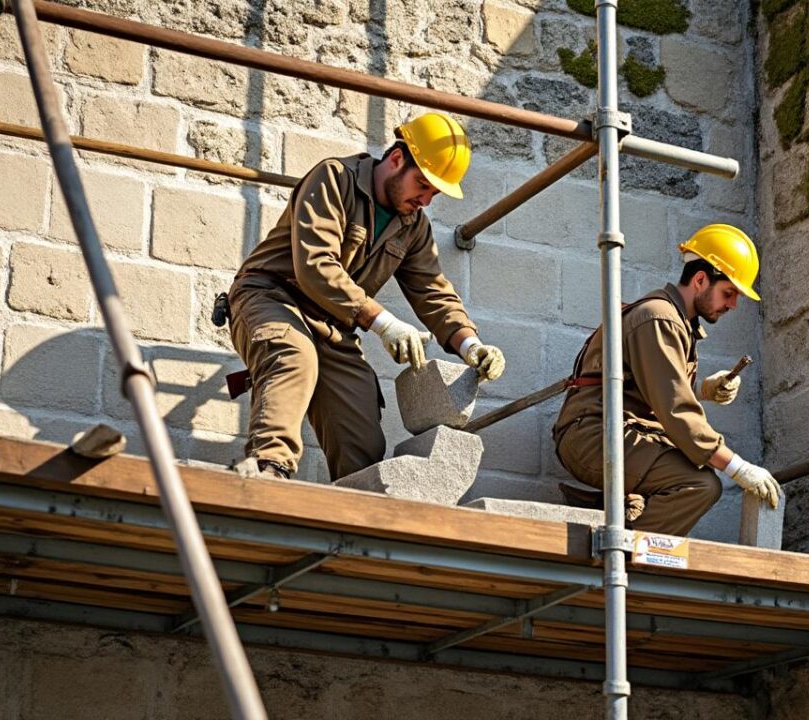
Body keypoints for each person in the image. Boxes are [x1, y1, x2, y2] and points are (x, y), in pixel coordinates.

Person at [227, 112, 505, 481]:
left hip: (331, 325)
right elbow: (315, 266)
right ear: (395, 159)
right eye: (422, 184)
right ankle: (267, 473)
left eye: (433, 193)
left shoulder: (412, 227)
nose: (425, 199)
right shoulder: (333, 179)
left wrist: (472, 346)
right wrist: (383, 322)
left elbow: (434, 292)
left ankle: (354, 519)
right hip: (271, 299)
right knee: (293, 355)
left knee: (360, 430)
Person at [552, 224, 781, 536]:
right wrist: (737, 467)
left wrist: (704, 389)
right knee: (698, 484)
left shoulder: (674, 319)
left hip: (611, 430)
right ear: (700, 280)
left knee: (690, 478)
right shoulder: (660, 318)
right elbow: (675, 409)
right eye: (728, 293)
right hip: (593, 435)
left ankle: (628, 534)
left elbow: (650, 386)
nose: (732, 305)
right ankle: (627, 559)